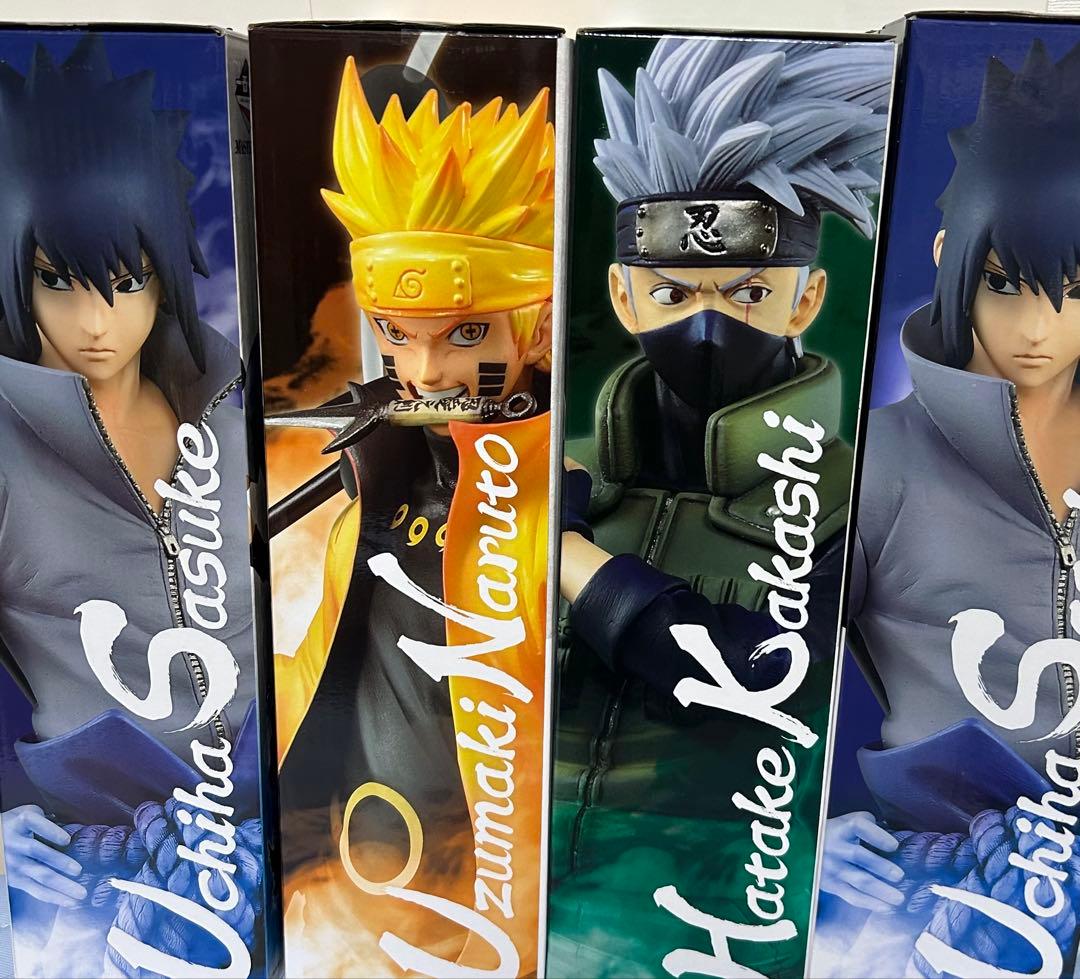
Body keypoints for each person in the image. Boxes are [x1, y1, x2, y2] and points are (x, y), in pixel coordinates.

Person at [549, 34, 892, 974]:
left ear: (805, 299)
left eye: (748, 292)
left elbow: (760, 673)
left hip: (719, 915)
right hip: (527, 894)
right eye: (670, 290)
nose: (707, 324)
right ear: (623, 296)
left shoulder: (851, 494)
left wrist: (570, 558)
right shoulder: (569, 474)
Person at [270, 56, 555, 971]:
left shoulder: (553, 508)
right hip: (344, 889)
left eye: (466, 333)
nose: (426, 372)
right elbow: (316, 670)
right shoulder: (375, 489)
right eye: (398, 333)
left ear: (536, 327)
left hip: (496, 913)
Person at [817, 39, 1080, 978]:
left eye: (1075, 289)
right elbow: (758, 665)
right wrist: (806, 831)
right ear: (948, 259)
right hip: (939, 889)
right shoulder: (880, 461)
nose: (1038, 327)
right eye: (1003, 282)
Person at [0, 35, 261, 977]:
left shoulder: (236, 405)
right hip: (90, 859)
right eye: (56, 280)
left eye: (126, 280)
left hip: (272, 826)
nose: (96, 322)